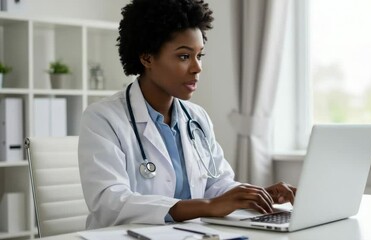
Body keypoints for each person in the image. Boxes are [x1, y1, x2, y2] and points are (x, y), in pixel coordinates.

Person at [78, 0, 296, 230]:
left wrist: (256, 195)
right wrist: (206, 206)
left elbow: (216, 184)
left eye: (199, 55)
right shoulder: (103, 118)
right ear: (147, 58)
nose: (197, 67)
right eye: (184, 56)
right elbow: (110, 202)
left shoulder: (196, 118)